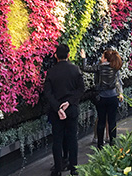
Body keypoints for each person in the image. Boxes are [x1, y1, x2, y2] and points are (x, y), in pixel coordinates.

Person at [43, 44, 85, 176]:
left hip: (56, 111)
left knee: (57, 140)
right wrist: (69, 102)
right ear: (68, 55)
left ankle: (58, 169)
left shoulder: (51, 72)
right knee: (72, 138)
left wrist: (58, 107)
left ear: (56, 56)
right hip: (71, 109)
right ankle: (74, 168)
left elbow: (47, 93)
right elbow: (81, 89)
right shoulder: (75, 70)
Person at [80, 48, 123, 149]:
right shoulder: (115, 67)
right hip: (113, 97)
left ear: (105, 59)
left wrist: (83, 58)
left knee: (101, 121)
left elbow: (85, 68)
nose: (101, 58)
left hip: (101, 97)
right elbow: (118, 82)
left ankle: (100, 145)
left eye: (103, 56)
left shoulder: (99, 67)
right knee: (112, 122)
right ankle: (113, 144)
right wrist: (120, 93)